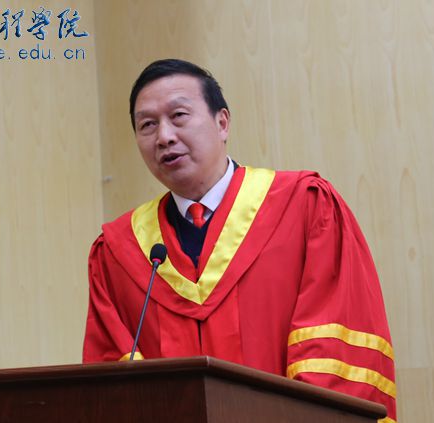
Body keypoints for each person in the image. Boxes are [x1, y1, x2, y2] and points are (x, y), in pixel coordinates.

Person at [83, 59, 396, 422]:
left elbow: (332, 359)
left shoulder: (306, 208)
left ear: (222, 123)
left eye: (179, 115)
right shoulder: (118, 253)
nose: (164, 136)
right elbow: (113, 384)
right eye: (147, 125)